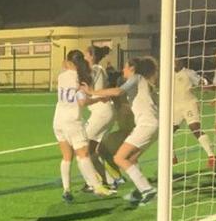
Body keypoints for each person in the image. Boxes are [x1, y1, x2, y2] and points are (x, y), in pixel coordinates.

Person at [86, 57, 159, 205]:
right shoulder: (144, 83)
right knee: (131, 159)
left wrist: (91, 91)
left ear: (132, 68)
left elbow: (119, 91)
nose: (123, 70)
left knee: (119, 158)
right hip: (152, 125)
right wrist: (106, 97)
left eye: (125, 67)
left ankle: (147, 190)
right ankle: (140, 190)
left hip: (146, 125)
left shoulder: (137, 77)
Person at [54, 50, 114, 203]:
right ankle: (96, 186)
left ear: (68, 62)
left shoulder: (61, 76)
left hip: (58, 121)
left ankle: (66, 190)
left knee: (67, 157)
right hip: (73, 121)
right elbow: (82, 102)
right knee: (83, 155)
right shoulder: (80, 79)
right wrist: (98, 100)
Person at [82, 45, 116, 190]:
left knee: (83, 147)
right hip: (103, 111)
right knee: (91, 150)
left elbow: (88, 90)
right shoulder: (99, 69)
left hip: (101, 112)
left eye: (85, 55)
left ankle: (94, 182)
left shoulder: (95, 69)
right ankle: (108, 180)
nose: (83, 58)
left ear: (91, 56)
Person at [173, 59, 215, 168]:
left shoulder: (189, 72)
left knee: (195, 128)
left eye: (176, 61)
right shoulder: (169, 74)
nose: (173, 63)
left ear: (181, 63)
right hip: (175, 107)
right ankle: (172, 157)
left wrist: (205, 82)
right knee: (168, 131)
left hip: (189, 104)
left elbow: (200, 81)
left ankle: (211, 156)